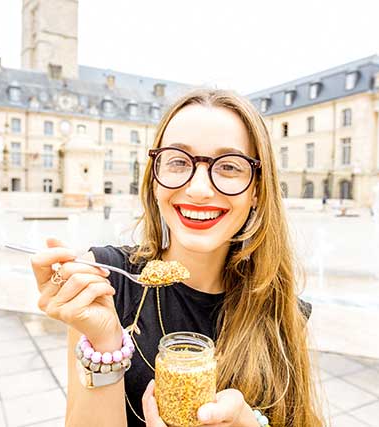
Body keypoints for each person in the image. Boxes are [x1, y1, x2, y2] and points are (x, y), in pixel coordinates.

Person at [30, 89, 323, 427]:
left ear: (257, 189)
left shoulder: (282, 308)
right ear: (155, 179)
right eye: (178, 161)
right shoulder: (106, 285)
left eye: (229, 166)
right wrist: (104, 343)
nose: (199, 189)